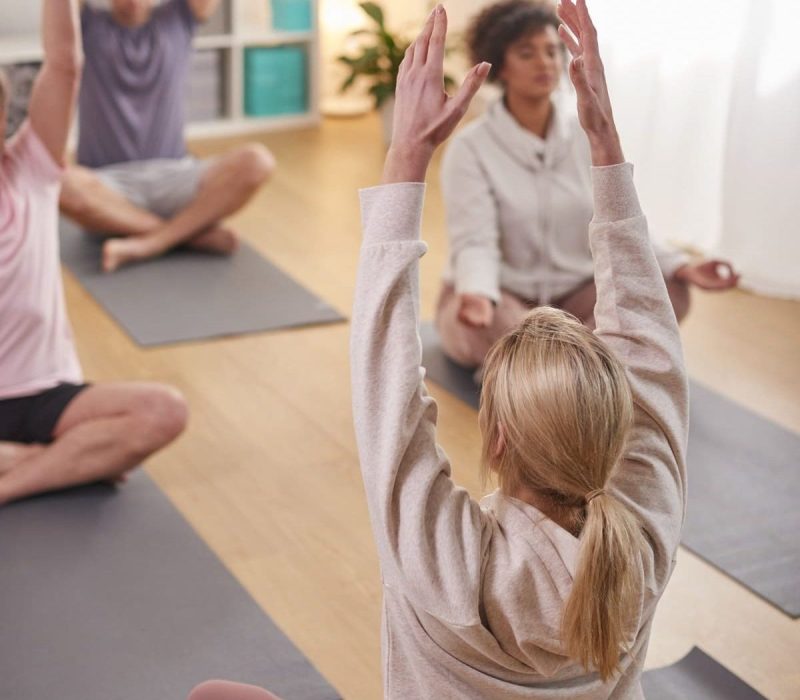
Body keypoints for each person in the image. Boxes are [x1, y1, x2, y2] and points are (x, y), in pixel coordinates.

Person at [435, 0, 739, 370]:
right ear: (501, 65)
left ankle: (551, 369)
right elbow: (474, 239)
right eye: (526, 53)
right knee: (482, 330)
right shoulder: (471, 148)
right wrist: (478, 293)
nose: (545, 62)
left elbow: (622, 216)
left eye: (551, 51)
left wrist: (679, 265)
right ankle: (583, 366)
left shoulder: (587, 132)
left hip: (579, 295)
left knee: (669, 293)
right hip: (505, 298)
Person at [0, 0, 188, 506]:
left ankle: (17, 472)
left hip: (48, 395)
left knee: (165, 411)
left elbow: (64, 63)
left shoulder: (30, 172)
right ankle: (66, 459)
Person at [59, 0, 276, 273]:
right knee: (54, 178)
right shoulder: (86, 26)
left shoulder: (179, 18)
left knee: (258, 161)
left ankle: (150, 242)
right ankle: (189, 236)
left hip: (175, 175)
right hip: (108, 185)